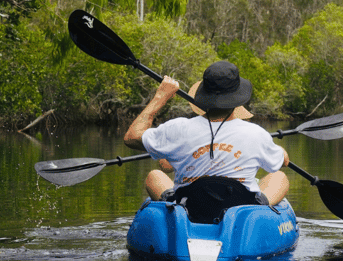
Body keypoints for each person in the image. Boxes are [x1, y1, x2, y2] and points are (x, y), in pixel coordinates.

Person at [123, 60, 290, 206]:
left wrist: (160, 96)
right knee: (279, 177)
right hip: (242, 208)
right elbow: (283, 161)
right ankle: (260, 210)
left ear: (203, 93)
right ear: (238, 98)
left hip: (189, 206)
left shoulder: (177, 128)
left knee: (155, 175)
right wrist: (280, 152)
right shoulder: (257, 134)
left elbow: (131, 138)